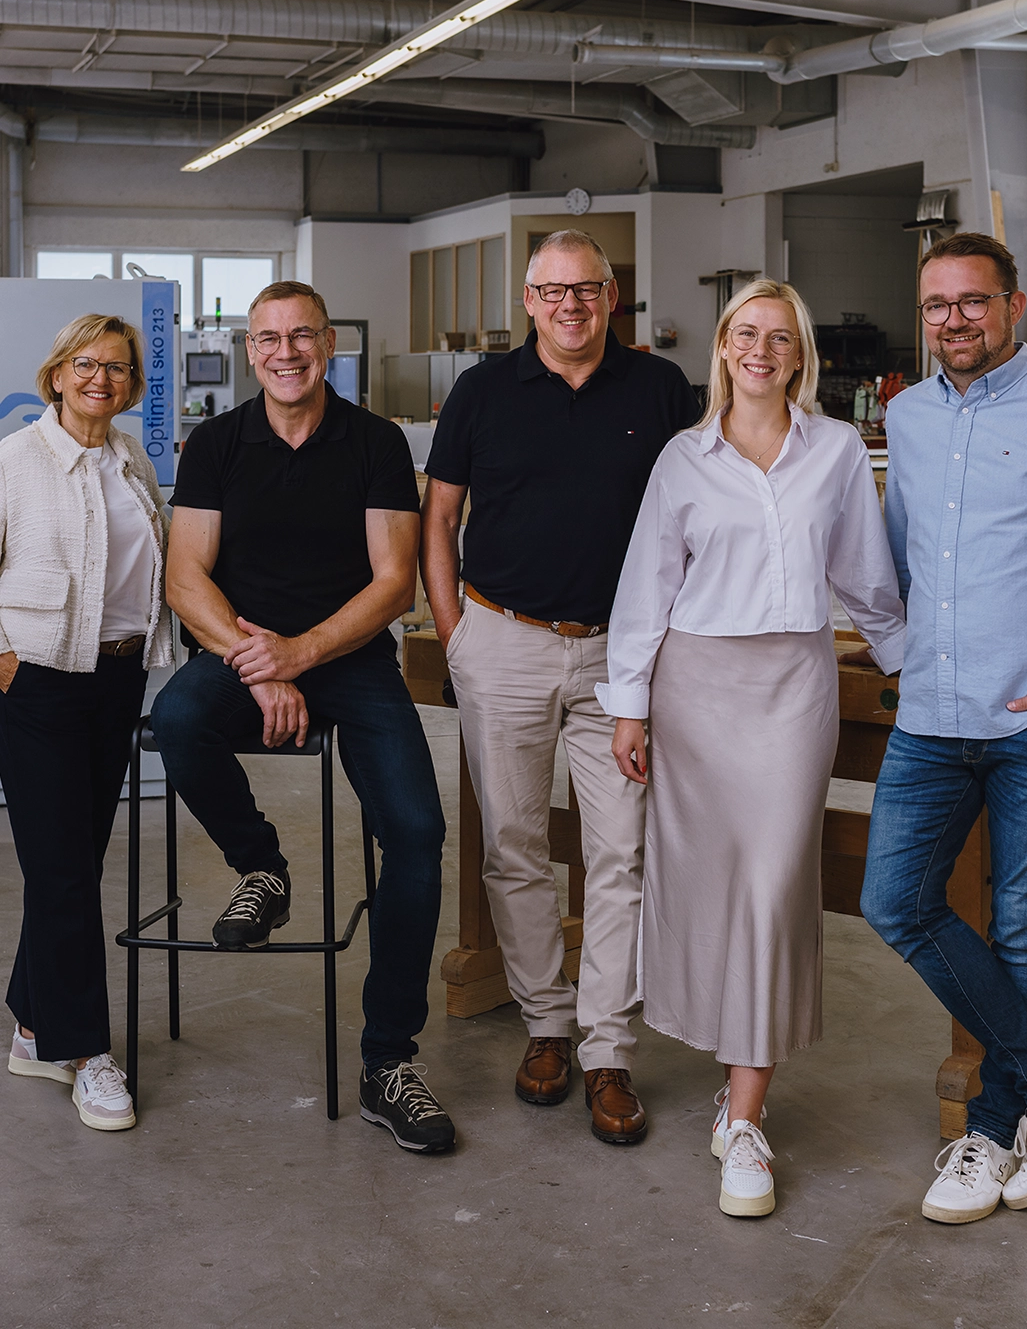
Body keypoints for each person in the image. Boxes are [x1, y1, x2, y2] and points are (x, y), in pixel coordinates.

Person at [599, 279, 905, 1214]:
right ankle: (724, 1067)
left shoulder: (840, 451)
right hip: (696, 690)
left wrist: (913, 668)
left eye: (780, 336)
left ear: (801, 354)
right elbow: (646, 587)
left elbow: (865, 577)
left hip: (793, 692)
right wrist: (628, 704)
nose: (761, 349)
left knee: (776, 888)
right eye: (745, 334)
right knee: (706, 886)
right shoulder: (682, 461)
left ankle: (744, 1119)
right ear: (722, 350)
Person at [150, 281, 453, 1154]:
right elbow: (185, 578)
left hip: (350, 659)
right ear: (250, 351)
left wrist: (302, 655)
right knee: (179, 720)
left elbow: (393, 581)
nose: (286, 352)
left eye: (302, 336)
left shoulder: (375, 441)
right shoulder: (215, 443)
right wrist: (259, 661)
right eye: (268, 338)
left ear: (328, 344)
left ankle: (387, 1061)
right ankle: (262, 866)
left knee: (419, 831)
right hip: (241, 653)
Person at [421, 230, 700, 1144]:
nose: (570, 305)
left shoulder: (659, 389)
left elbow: (697, 515)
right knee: (513, 844)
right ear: (529, 301)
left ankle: (606, 1049)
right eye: (552, 290)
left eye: (587, 289)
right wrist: (456, 632)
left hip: (621, 659)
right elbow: (441, 514)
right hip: (502, 641)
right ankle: (546, 1021)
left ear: (612, 296)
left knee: (621, 854)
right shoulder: (482, 390)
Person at [860, 232, 1027, 1224]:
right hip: (933, 713)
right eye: (937, 304)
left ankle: (993, 1129)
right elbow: (901, 553)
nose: (954, 319)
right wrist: (897, 650)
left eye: (972, 302)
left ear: (1015, 306)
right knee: (895, 901)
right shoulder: (904, 416)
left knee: (1025, 923)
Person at [2, 314, 172, 1131]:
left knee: (70, 863)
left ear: (134, 384)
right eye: (86, 363)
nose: (102, 378)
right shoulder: (15, 461)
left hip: (114, 679)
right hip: (36, 685)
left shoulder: (130, 458)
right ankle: (83, 1051)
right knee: (63, 871)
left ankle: (33, 1023)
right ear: (58, 373)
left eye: (118, 367)